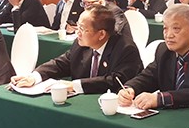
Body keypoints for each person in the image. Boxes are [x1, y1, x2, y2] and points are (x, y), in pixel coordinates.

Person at [118, 4, 189, 109]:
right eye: (165, 28)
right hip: (172, 114)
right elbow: (149, 76)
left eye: (176, 29)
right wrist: (130, 88)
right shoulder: (163, 50)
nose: (168, 35)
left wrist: (161, 99)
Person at [11, 7, 142, 95]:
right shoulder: (81, 45)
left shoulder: (125, 48)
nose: (77, 32)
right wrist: (34, 77)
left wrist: (74, 86)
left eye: (82, 29)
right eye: (77, 27)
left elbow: (115, 81)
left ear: (101, 34)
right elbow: (61, 63)